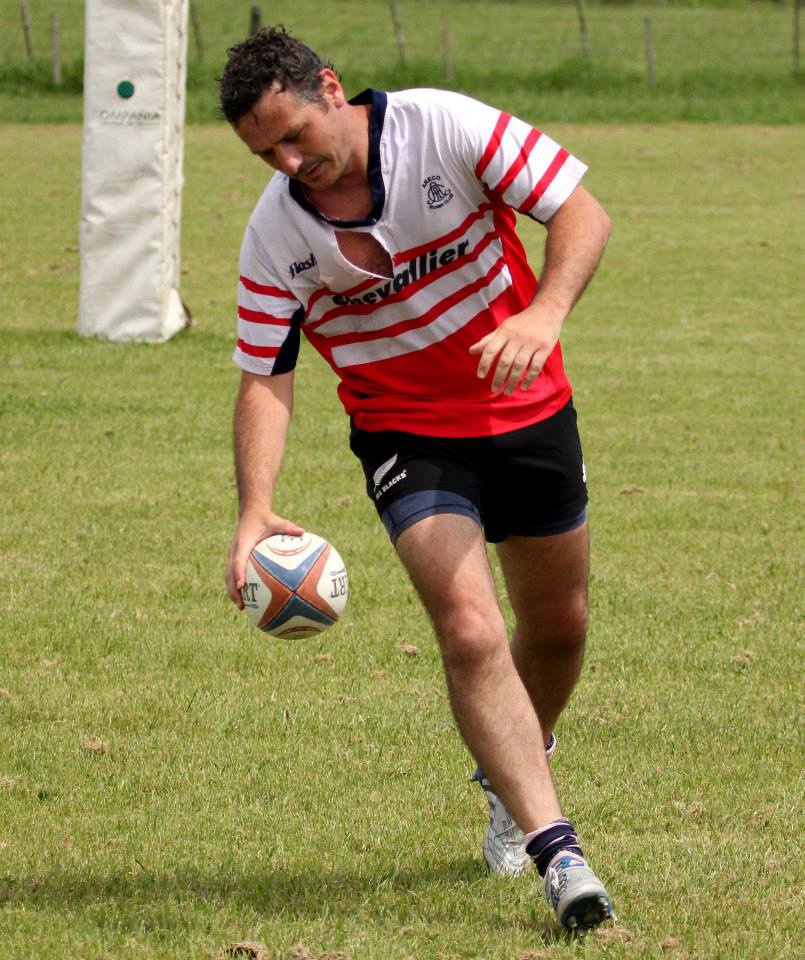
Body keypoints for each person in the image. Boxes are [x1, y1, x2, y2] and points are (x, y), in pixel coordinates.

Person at [220, 26, 614, 932]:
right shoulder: (275, 233)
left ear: (330, 87)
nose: (286, 162)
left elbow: (581, 212)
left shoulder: (443, 127)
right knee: (471, 630)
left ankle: (515, 764)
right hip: (408, 435)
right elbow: (265, 376)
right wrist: (253, 510)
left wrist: (545, 314)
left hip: (528, 406)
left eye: (293, 136)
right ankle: (556, 848)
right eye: (263, 152)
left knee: (558, 627)